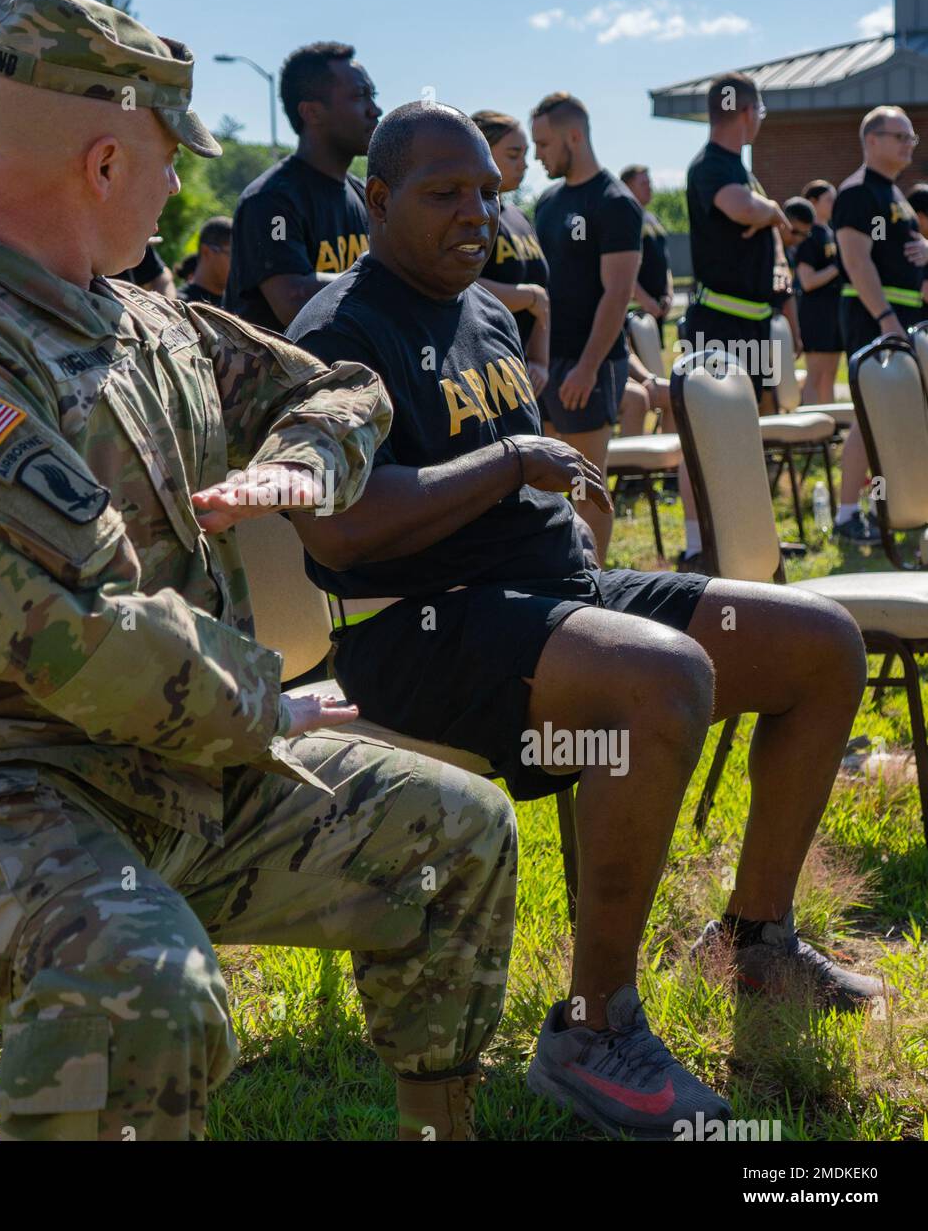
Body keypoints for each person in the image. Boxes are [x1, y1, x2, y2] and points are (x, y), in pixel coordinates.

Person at [0, 0, 519, 1143]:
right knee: (141, 986)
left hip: (170, 767)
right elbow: (81, 638)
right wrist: (266, 705)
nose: (181, 182)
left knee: (458, 832)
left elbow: (337, 388)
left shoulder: (134, 313)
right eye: (165, 157)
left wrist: (301, 464)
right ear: (100, 165)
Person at [286, 101, 879, 1141]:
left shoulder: (475, 311)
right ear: (375, 201)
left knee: (819, 643)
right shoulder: (339, 331)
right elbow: (340, 529)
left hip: (550, 600)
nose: (475, 213)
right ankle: (591, 1026)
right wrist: (513, 461)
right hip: (418, 629)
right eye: (442, 195)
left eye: (485, 192)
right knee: (658, 679)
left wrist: (556, 492)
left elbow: (505, 476)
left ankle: (751, 938)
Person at [679, 72, 791, 562]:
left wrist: (769, 216)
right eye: (760, 112)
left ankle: (747, 534)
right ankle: (696, 545)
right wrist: (771, 212)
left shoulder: (743, 169)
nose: (761, 121)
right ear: (746, 112)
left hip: (754, 323)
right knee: (702, 430)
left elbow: (759, 217)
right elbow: (741, 210)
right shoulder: (711, 166)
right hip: (716, 325)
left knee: (751, 428)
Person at [531, 92, 642, 557]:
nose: (538, 155)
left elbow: (618, 294)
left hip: (589, 365)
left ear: (574, 136)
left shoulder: (615, 202)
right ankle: (563, 576)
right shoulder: (549, 202)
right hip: (550, 363)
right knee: (550, 482)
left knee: (584, 481)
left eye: (545, 144)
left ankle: (594, 583)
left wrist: (588, 367)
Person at [222, 42, 380, 330]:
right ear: (312, 113)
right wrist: (390, 281)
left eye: (373, 95)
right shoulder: (271, 200)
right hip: (283, 375)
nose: (375, 109)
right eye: (360, 96)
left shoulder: (361, 193)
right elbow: (293, 301)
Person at [831, 106, 928, 543]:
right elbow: (856, 261)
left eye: (912, 138)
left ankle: (887, 506)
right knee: (869, 414)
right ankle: (847, 515)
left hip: (903, 317)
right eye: (900, 136)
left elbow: (899, 251)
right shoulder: (857, 194)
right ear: (872, 140)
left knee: (895, 415)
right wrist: (887, 318)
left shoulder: (895, 195)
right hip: (876, 317)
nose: (910, 144)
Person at [471, 110, 550, 400]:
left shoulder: (518, 216)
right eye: (514, 154)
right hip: (483, 370)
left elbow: (543, 295)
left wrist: (540, 361)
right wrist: (528, 296)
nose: (525, 165)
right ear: (481, 152)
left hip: (525, 374)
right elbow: (463, 286)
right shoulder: (469, 216)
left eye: (526, 155)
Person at [793, 187, 844, 405]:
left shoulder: (831, 232)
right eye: (829, 199)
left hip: (835, 312)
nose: (834, 203)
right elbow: (808, 281)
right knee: (816, 374)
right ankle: (812, 426)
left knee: (830, 374)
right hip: (816, 313)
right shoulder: (808, 235)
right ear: (812, 201)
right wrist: (839, 267)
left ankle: (828, 427)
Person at [619, 164, 674, 321]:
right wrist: (645, 300)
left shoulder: (652, 219)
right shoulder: (623, 220)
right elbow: (622, 268)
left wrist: (669, 295)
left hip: (657, 308)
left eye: (649, 183)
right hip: (636, 312)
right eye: (643, 184)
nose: (649, 188)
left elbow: (665, 263)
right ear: (627, 186)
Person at [178, 215, 232, 306]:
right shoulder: (178, 305)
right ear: (206, 252)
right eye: (232, 254)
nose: (240, 264)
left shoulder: (239, 309)